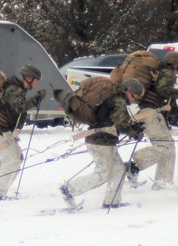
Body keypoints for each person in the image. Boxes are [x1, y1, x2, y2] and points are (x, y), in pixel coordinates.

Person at [60, 78, 145, 210]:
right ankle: (69, 189)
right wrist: (134, 132)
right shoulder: (119, 100)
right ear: (129, 91)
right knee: (103, 173)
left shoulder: (115, 98)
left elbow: (117, 120)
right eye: (135, 97)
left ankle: (112, 202)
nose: (135, 101)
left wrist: (133, 128)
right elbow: (120, 122)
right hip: (100, 141)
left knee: (118, 169)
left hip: (105, 141)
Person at [0, 64, 46, 201]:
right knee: (12, 161)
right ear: (28, 78)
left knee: (16, 158)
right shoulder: (14, 89)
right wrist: (36, 98)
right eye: (36, 80)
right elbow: (19, 107)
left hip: (1, 130)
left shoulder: (17, 89)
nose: (36, 84)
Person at [125, 51, 178, 187]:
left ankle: (163, 183)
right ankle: (133, 166)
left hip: (150, 112)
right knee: (165, 147)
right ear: (175, 63)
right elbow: (162, 89)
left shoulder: (163, 72)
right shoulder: (168, 74)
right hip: (151, 113)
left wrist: (176, 109)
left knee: (168, 147)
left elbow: (162, 96)